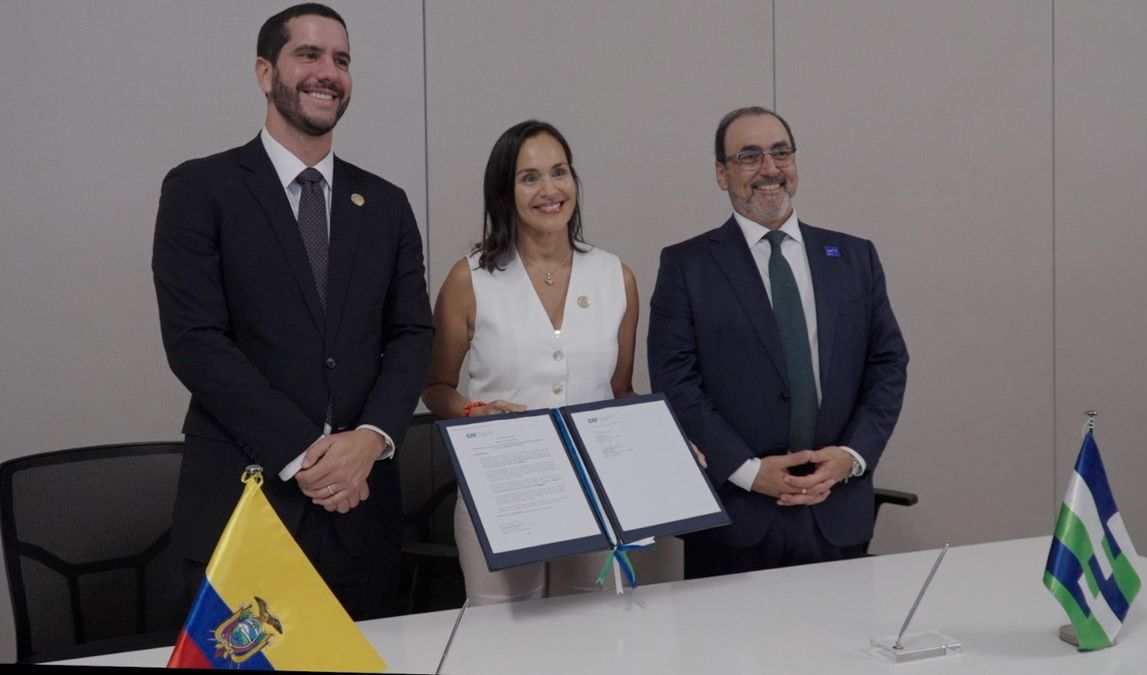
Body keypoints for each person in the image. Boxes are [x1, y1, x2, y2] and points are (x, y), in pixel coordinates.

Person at [152, 3, 432, 619]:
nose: (327, 72)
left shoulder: (385, 203)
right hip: (244, 504)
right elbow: (196, 341)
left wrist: (372, 439)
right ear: (264, 72)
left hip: (363, 511)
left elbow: (412, 334)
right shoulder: (200, 190)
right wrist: (307, 452)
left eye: (341, 59)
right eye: (308, 54)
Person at [647, 106, 908, 579]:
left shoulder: (853, 257)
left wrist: (851, 458)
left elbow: (888, 363)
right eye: (748, 156)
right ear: (721, 174)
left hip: (835, 509)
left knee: (839, 651)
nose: (769, 168)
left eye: (780, 152)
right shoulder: (687, 267)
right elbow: (674, 380)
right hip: (733, 520)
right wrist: (747, 471)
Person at [423, 120, 671, 604]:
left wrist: (665, 440)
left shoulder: (615, 277)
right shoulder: (470, 278)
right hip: (501, 493)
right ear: (504, 192)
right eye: (529, 177)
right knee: (504, 642)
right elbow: (436, 387)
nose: (550, 189)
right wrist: (475, 410)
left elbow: (620, 392)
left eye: (559, 172)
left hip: (596, 494)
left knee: (588, 638)